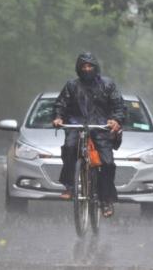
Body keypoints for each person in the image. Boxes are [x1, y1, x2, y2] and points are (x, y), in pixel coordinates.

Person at [52, 52, 125, 217]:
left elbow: (118, 106)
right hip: (76, 124)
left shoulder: (108, 85)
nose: (87, 69)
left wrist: (115, 120)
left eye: (90, 66)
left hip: (101, 126)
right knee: (69, 148)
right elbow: (60, 103)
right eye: (83, 66)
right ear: (79, 68)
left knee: (107, 163)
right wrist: (58, 117)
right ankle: (70, 186)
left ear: (95, 67)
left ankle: (106, 201)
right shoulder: (71, 85)